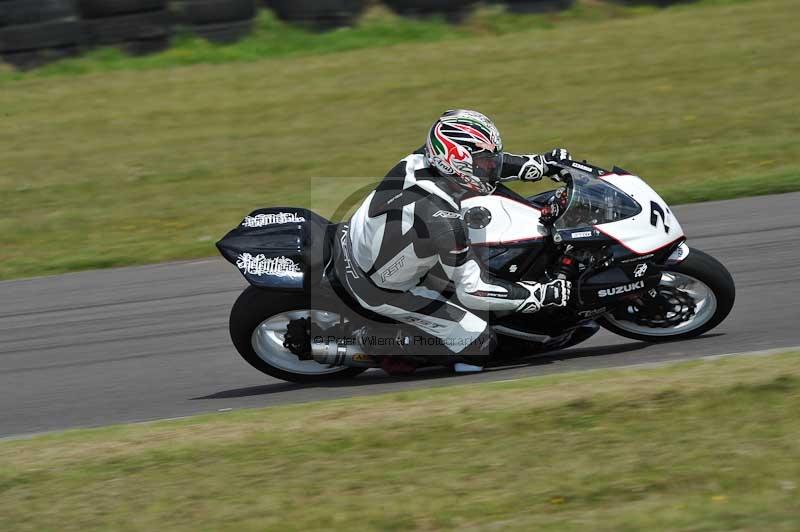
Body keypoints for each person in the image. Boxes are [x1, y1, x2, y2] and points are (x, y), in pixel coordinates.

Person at [332, 109, 572, 373]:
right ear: (455, 161)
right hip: (378, 287)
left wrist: (541, 164)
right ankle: (372, 342)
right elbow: (474, 291)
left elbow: (489, 170)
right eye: (484, 163)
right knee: (478, 343)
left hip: (367, 238)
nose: (491, 167)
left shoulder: (429, 156)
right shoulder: (443, 220)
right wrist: (536, 295)